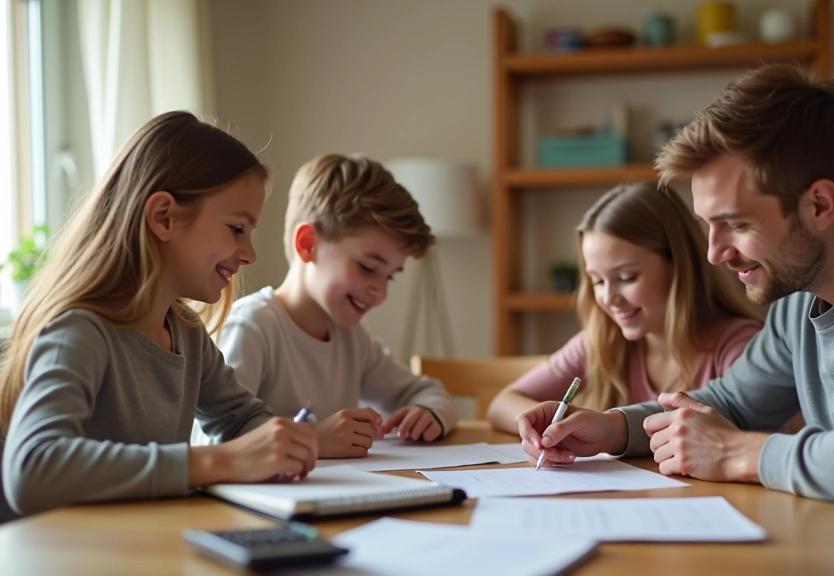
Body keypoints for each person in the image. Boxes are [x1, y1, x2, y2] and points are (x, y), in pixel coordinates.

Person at [514, 64, 834, 559]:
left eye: (735, 224)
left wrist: (736, 452)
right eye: (708, 226)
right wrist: (612, 429)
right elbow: (731, 403)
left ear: (819, 204)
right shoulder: (799, 296)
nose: (714, 253)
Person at [0, 111, 318, 519]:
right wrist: (217, 461)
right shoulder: (79, 331)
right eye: (237, 229)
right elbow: (32, 470)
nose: (250, 254)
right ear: (164, 217)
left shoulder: (185, 331)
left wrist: (282, 443)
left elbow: (242, 417)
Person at [215, 153, 456, 459]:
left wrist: (429, 413)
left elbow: (428, 392)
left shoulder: (353, 338)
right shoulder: (253, 327)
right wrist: (314, 438)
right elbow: (215, 441)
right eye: (368, 268)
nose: (380, 292)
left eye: (390, 276)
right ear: (307, 244)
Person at [487, 182, 762, 434]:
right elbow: (502, 404)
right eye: (597, 281)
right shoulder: (602, 341)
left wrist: (605, 430)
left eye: (626, 277)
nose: (608, 298)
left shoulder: (740, 346)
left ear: (680, 266)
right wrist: (553, 430)